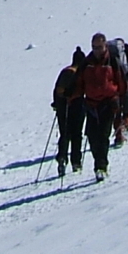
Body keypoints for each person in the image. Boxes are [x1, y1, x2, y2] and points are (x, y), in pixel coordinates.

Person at [78, 34, 124, 180]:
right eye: (93, 47)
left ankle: (101, 167)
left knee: (103, 136)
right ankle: (99, 163)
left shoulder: (112, 61)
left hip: (108, 103)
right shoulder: (87, 62)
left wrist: (125, 107)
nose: (96, 50)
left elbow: (122, 84)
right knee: (92, 136)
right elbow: (79, 81)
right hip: (91, 104)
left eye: (99, 47)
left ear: (105, 46)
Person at [50, 48, 86, 177]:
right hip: (78, 107)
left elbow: (57, 90)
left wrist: (56, 103)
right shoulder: (80, 73)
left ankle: (62, 159)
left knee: (64, 134)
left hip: (62, 108)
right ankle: (76, 162)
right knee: (77, 135)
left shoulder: (65, 71)